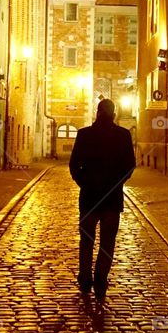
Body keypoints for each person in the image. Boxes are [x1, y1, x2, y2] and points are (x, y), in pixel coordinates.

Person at [68, 98, 136, 300]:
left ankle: (85, 279)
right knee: (107, 243)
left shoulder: (84, 134)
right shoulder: (123, 135)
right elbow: (130, 166)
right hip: (112, 200)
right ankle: (100, 280)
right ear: (113, 113)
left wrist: (84, 183)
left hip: (89, 198)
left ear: (97, 112)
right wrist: (117, 184)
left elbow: (74, 165)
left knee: (86, 241)